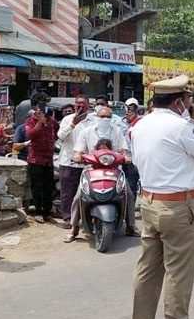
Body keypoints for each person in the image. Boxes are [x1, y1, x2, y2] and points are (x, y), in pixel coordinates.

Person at [129, 75, 194, 319]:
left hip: (149, 202)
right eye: (189, 101)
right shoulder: (182, 127)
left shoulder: (140, 125)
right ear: (180, 101)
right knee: (179, 270)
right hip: (177, 206)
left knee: (148, 269)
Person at [67, 106, 140, 241]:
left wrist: (126, 156)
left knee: (128, 194)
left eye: (108, 117)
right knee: (78, 196)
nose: (105, 119)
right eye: (102, 116)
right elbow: (78, 150)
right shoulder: (86, 131)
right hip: (91, 169)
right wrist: (77, 155)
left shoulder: (117, 131)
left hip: (114, 170)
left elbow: (123, 149)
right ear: (96, 117)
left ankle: (131, 225)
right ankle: (74, 227)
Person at [57, 95, 92, 230]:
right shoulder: (67, 119)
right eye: (78, 103)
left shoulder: (93, 121)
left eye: (83, 103)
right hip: (68, 162)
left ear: (88, 106)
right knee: (67, 192)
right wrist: (73, 124)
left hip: (87, 162)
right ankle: (68, 218)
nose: (80, 106)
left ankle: (87, 217)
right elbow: (60, 136)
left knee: (87, 192)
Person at [25, 93, 59, 224]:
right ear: (34, 107)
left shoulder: (51, 120)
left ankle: (47, 212)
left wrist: (52, 140)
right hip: (36, 159)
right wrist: (39, 122)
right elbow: (30, 134)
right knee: (37, 187)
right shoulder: (30, 120)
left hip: (48, 158)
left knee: (48, 187)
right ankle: (38, 212)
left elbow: (57, 130)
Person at [122, 98, 142, 200]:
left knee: (131, 187)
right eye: (128, 107)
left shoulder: (141, 122)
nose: (130, 110)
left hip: (135, 160)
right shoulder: (120, 122)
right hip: (124, 160)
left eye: (133, 108)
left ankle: (130, 211)